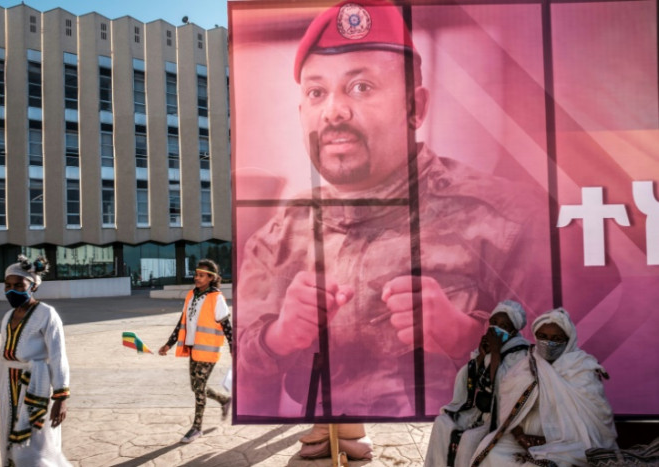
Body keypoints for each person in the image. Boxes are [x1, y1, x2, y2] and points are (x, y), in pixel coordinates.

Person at [236, 0, 551, 419]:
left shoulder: (506, 220)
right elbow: (238, 381)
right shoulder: (278, 236)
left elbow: (560, 372)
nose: (333, 111)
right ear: (301, 113)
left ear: (415, 108)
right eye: (316, 93)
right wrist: (277, 338)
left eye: (361, 87)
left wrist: (466, 337)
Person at [470, 308, 617, 466]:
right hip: (524, 435)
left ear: (568, 340)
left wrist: (546, 440)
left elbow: (592, 423)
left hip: (569, 440)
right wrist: (520, 436)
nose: (548, 343)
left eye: (556, 338)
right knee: (492, 453)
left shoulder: (581, 369)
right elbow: (507, 409)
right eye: (543, 337)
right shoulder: (525, 366)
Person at [0, 255, 71, 466]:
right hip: (8, 387)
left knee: (37, 447)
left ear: (32, 286)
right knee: (9, 439)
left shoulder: (47, 314)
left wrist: (61, 398)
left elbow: (58, 356)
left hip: (36, 388)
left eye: (18, 285)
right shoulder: (7, 317)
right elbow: (2, 358)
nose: (11, 290)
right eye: (7, 285)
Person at [424, 300, 530, 467]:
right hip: (477, 412)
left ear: (514, 330)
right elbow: (470, 379)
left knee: (469, 439)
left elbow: (505, 388)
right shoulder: (488, 347)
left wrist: (495, 353)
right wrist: (481, 355)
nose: (496, 328)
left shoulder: (521, 353)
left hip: (499, 417)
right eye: (494, 322)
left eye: (504, 325)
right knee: (442, 423)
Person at [158, 259, 233, 443]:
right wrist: (169, 344)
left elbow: (227, 326)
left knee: (198, 387)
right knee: (196, 387)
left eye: (201, 275)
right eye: (196, 274)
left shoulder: (216, 298)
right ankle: (224, 400)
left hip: (209, 350)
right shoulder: (191, 295)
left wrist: (234, 348)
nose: (197, 278)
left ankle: (196, 428)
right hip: (194, 348)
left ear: (211, 278)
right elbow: (182, 322)